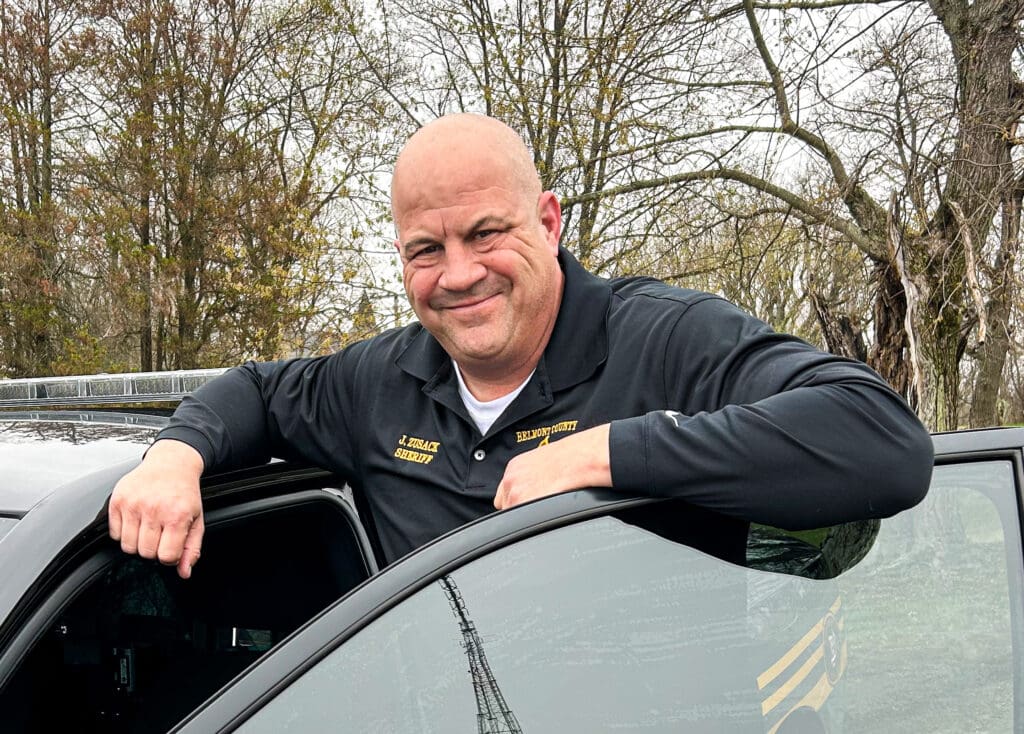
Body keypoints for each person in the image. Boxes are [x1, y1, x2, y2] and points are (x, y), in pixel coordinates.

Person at [109, 113, 934, 579]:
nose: (459, 274)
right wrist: (174, 460)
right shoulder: (380, 382)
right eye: (425, 250)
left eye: (486, 234)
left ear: (548, 221)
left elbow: (884, 442)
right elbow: (253, 393)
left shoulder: (663, 339)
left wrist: (607, 452)